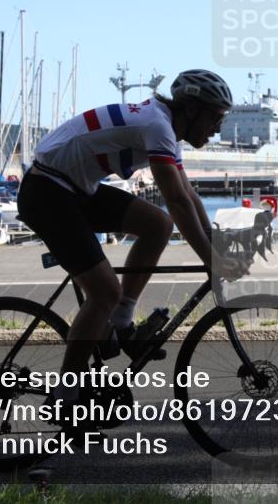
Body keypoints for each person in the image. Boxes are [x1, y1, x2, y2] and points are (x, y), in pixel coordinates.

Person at [16, 69, 248, 416]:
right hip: (47, 193)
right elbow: (176, 200)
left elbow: (187, 195)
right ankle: (65, 398)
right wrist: (210, 259)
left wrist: (213, 241)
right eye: (215, 118)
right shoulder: (157, 126)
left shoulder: (167, 128)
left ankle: (121, 320)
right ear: (191, 109)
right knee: (104, 293)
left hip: (73, 189)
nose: (217, 128)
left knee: (158, 224)